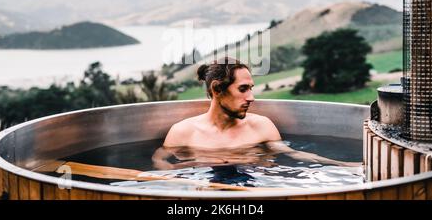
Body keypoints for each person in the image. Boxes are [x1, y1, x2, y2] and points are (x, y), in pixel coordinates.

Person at [152, 57, 361, 169]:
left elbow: (294, 155)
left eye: (251, 88)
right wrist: (174, 177)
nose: (251, 97)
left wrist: (342, 165)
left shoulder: (262, 126)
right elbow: (160, 160)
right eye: (243, 89)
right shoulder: (183, 132)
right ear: (217, 90)